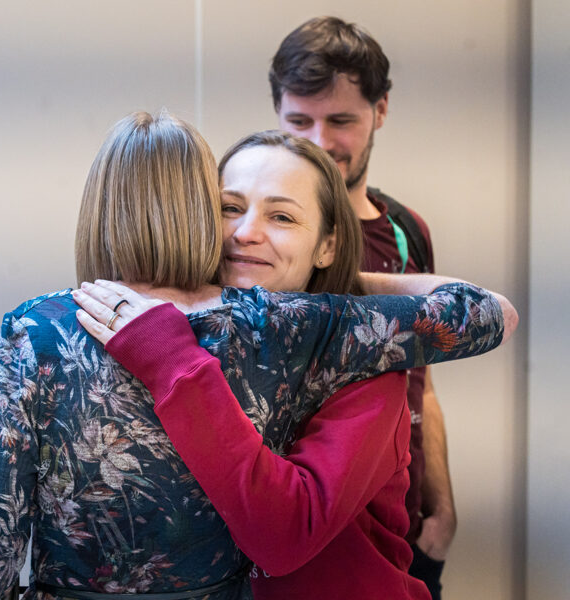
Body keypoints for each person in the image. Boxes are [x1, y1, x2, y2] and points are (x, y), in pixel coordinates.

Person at [73, 129, 517, 599]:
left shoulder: (362, 361)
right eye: (229, 208)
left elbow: (284, 536)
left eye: (282, 216)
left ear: (327, 245)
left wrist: (340, 294)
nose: (246, 233)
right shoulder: (166, 330)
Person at [269, 16, 456, 598]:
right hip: (308, 545)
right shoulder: (258, 243)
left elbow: (423, 385)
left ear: (381, 110)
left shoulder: (407, 231)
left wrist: (442, 508)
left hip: (409, 534)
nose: (320, 142)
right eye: (300, 121)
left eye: (341, 121)